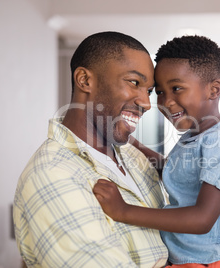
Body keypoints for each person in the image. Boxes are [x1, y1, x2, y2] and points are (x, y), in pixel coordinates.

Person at [93, 35, 220, 267]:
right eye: (159, 92)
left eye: (176, 88)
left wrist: (123, 211)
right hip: (189, 260)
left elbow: (202, 219)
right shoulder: (197, 136)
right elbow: (175, 173)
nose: (166, 102)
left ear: (213, 90)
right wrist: (132, 143)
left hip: (213, 262)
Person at [13, 31, 169, 268]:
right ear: (85, 80)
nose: (146, 104)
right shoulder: (52, 174)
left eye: (148, 91)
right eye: (134, 82)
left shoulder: (132, 156)